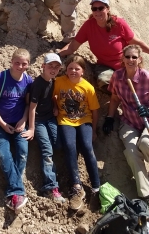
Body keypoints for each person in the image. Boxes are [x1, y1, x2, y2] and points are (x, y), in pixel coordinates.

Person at [103, 44, 149, 219]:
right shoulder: (118, 76)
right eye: (128, 57)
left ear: (140, 59)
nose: (131, 60)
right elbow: (115, 97)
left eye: (134, 57)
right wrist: (110, 117)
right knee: (132, 152)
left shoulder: (148, 78)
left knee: (146, 143)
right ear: (123, 59)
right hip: (130, 122)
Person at [58, 0, 149, 94]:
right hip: (104, 66)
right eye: (94, 9)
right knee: (104, 81)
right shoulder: (89, 26)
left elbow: (135, 42)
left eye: (101, 8)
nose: (97, 11)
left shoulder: (119, 23)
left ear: (107, 9)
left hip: (125, 64)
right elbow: (73, 46)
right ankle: (121, 96)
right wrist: (58, 56)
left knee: (141, 86)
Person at [53, 54, 100, 211]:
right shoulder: (59, 82)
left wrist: (93, 130)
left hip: (84, 120)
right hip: (65, 120)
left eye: (77, 68)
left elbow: (94, 111)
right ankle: (76, 186)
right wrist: (54, 105)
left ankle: (96, 187)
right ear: (66, 69)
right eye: (70, 68)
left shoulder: (88, 87)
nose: (73, 71)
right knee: (69, 146)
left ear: (83, 71)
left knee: (87, 147)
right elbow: (52, 95)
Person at [0, 48, 33, 212]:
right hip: (0, 121)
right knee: (3, 153)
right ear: (11, 62)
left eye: (24, 63)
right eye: (17, 63)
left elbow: (28, 103)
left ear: (28, 64)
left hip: (20, 121)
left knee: (22, 151)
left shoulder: (28, 80)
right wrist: (2, 124)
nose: (20, 66)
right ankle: (17, 191)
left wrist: (23, 120)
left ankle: (14, 189)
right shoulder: (1, 78)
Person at [26, 53, 66, 203]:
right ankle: (51, 187)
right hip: (39, 121)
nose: (53, 69)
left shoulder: (52, 81)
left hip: (50, 117)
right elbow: (32, 107)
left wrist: (55, 106)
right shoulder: (38, 84)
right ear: (43, 66)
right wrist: (31, 128)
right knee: (47, 150)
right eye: (50, 66)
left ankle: (57, 178)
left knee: (58, 143)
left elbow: (52, 96)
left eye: (56, 67)